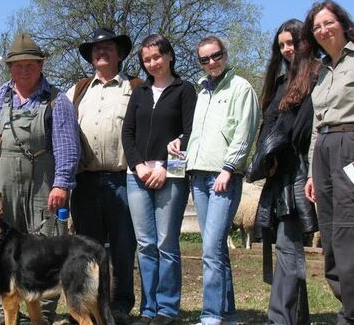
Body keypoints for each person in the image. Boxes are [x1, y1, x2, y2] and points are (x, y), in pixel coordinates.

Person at [0, 32, 80, 325]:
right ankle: (3, 315)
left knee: (45, 248)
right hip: (5, 183)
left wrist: (61, 183)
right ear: (10, 67)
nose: (24, 71)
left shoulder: (57, 101)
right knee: (1, 248)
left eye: (31, 65)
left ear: (41, 66)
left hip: (43, 183)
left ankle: (43, 316)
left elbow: (67, 147)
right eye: (18, 65)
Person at [303, 0, 354, 325]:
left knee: (351, 236)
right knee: (332, 240)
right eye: (316, 26)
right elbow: (317, 124)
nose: (323, 30)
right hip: (324, 151)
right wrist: (312, 171)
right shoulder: (321, 72)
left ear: (342, 22)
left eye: (328, 22)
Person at [170, 35, 259, 325]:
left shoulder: (240, 88)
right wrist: (181, 143)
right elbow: (201, 132)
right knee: (216, 247)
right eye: (204, 59)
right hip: (199, 175)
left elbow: (243, 134)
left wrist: (229, 169)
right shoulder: (202, 91)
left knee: (210, 248)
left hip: (223, 177)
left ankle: (210, 316)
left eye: (215, 56)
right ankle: (228, 315)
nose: (211, 62)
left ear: (225, 53)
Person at [247, 19, 319, 325]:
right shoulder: (279, 84)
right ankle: (295, 317)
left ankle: (279, 319)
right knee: (286, 248)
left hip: (301, 171)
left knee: (290, 248)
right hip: (279, 175)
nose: (288, 49)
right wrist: (264, 159)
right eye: (282, 45)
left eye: (292, 42)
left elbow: (301, 128)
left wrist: (275, 152)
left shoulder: (318, 76)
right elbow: (269, 126)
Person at [122, 34, 197, 325]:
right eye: (146, 59)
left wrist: (166, 167)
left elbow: (190, 133)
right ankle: (148, 308)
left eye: (156, 57)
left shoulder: (184, 90)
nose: (152, 63)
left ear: (169, 56)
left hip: (172, 175)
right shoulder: (139, 92)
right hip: (137, 176)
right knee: (145, 244)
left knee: (167, 242)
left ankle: (167, 309)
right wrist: (139, 166)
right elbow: (127, 133)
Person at [66, 27, 139, 324]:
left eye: (107, 47)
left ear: (119, 53)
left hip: (123, 180)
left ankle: (119, 307)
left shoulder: (135, 87)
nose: (101, 52)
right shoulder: (78, 89)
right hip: (85, 182)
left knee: (123, 248)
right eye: (96, 49)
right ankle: (86, 308)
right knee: (85, 250)